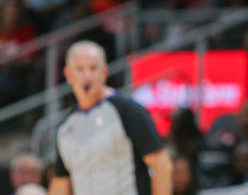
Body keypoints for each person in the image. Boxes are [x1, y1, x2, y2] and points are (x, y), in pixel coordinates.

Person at [48, 41, 172, 195]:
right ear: (68, 75)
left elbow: (161, 164)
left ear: (104, 73)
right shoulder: (65, 128)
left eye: (93, 68)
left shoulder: (128, 111)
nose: (87, 76)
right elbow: (61, 183)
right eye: (80, 69)